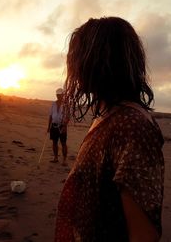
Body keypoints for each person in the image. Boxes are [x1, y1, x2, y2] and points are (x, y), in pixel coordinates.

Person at [55, 17, 164, 241]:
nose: (73, 63)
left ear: (104, 59)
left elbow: (143, 236)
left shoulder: (131, 126)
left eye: (80, 53)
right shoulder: (106, 116)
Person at [47, 88, 69, 166]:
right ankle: (55, 158)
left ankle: (64, 160)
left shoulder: (66, 104)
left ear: (63, 95)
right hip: (54, 125)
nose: (59, 96)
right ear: (56, 95)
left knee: (63, 143)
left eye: (60, 95)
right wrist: (48, 127)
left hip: (62, 126)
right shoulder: (53, 104)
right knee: (54, 143)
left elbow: (67, 117)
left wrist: (64, 127)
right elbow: (50, 115)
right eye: (58, 95)